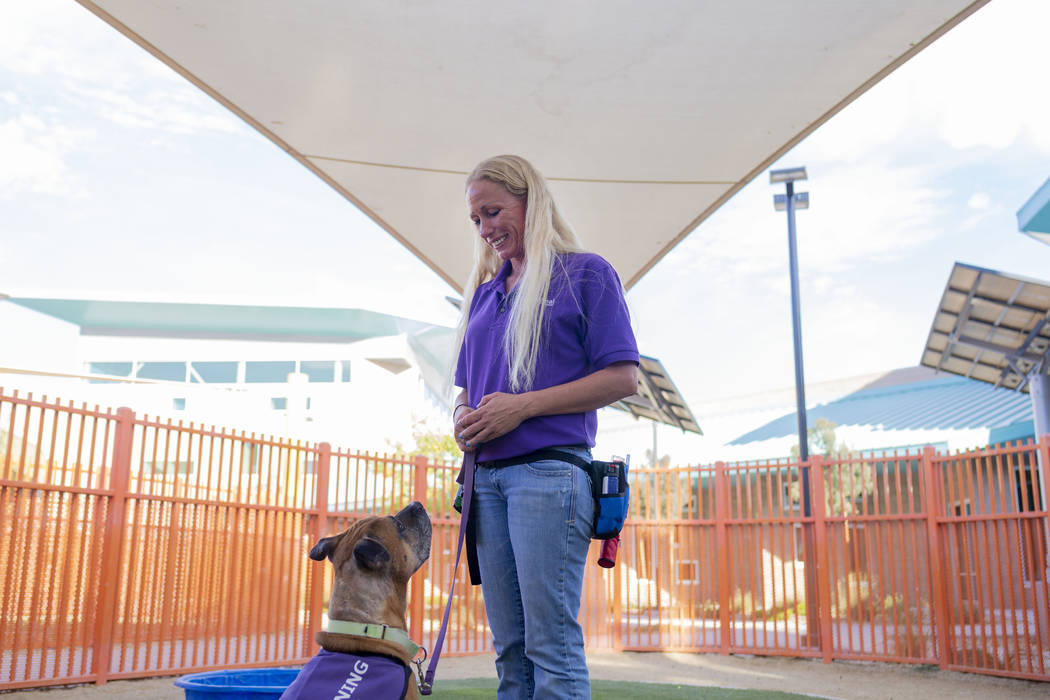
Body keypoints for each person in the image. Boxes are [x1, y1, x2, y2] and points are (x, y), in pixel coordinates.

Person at [452, 154, 639, 699]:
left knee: (550, 645)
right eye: (476, 220)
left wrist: (523, 407)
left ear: (530, 202)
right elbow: (467, 393)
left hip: (550, 477)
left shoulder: (586, 273)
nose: (486, 229)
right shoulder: (486, 296)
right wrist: (463, 420)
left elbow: (623, 377)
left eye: (493, 212)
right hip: (485, 483)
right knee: (510, 650)